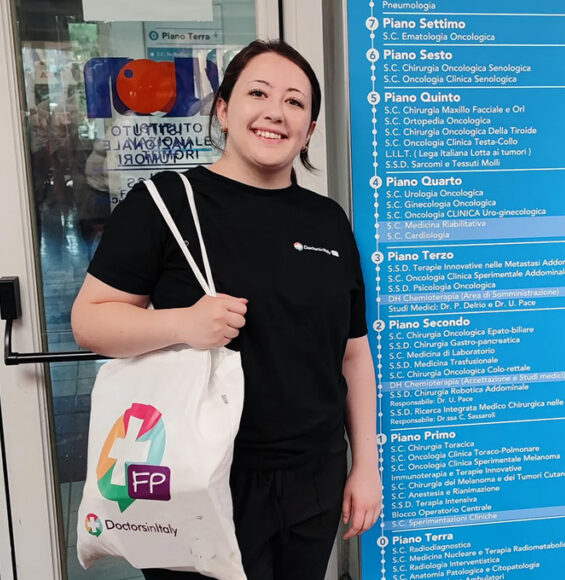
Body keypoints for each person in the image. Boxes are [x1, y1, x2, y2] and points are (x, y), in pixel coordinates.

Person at [70, 39, 382, 579]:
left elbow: (354, 356)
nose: (274, 113)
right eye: (257, 93)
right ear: (223, 108)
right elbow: (90, 320)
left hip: (314, 474)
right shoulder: (164, 203)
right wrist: (183, 324)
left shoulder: (328, 221)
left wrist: (366, 468)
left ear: (309, 130)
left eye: (295, 102)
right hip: (198, 472)